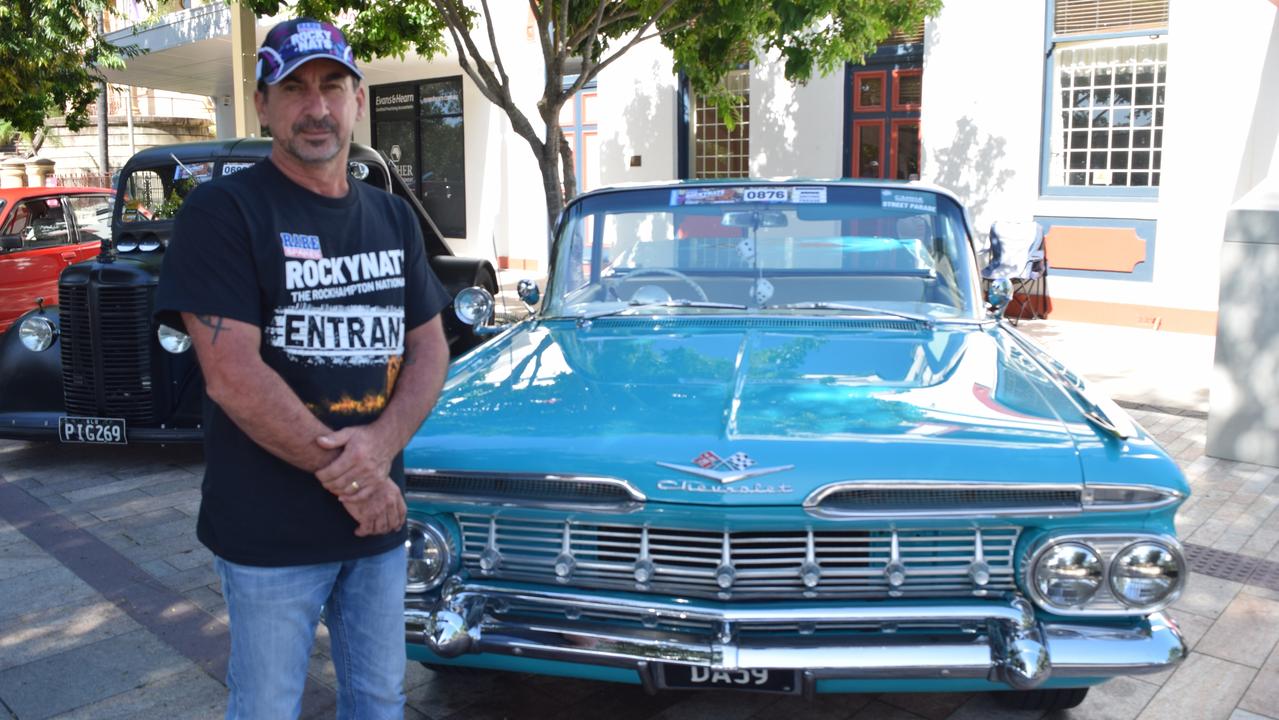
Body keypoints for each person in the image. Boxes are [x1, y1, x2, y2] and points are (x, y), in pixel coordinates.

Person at [154, 17, 452, 720]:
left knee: (380, 699)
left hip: (376, 526)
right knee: (266, 707)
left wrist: (376, 455)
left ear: (357, 98)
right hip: (270, 531)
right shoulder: (223, 211)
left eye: (331, 86)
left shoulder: (391, 216)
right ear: (263, 104)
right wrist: (359, 478)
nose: (315, 107)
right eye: (294, 89)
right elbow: (232, 375)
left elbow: (429, 346)